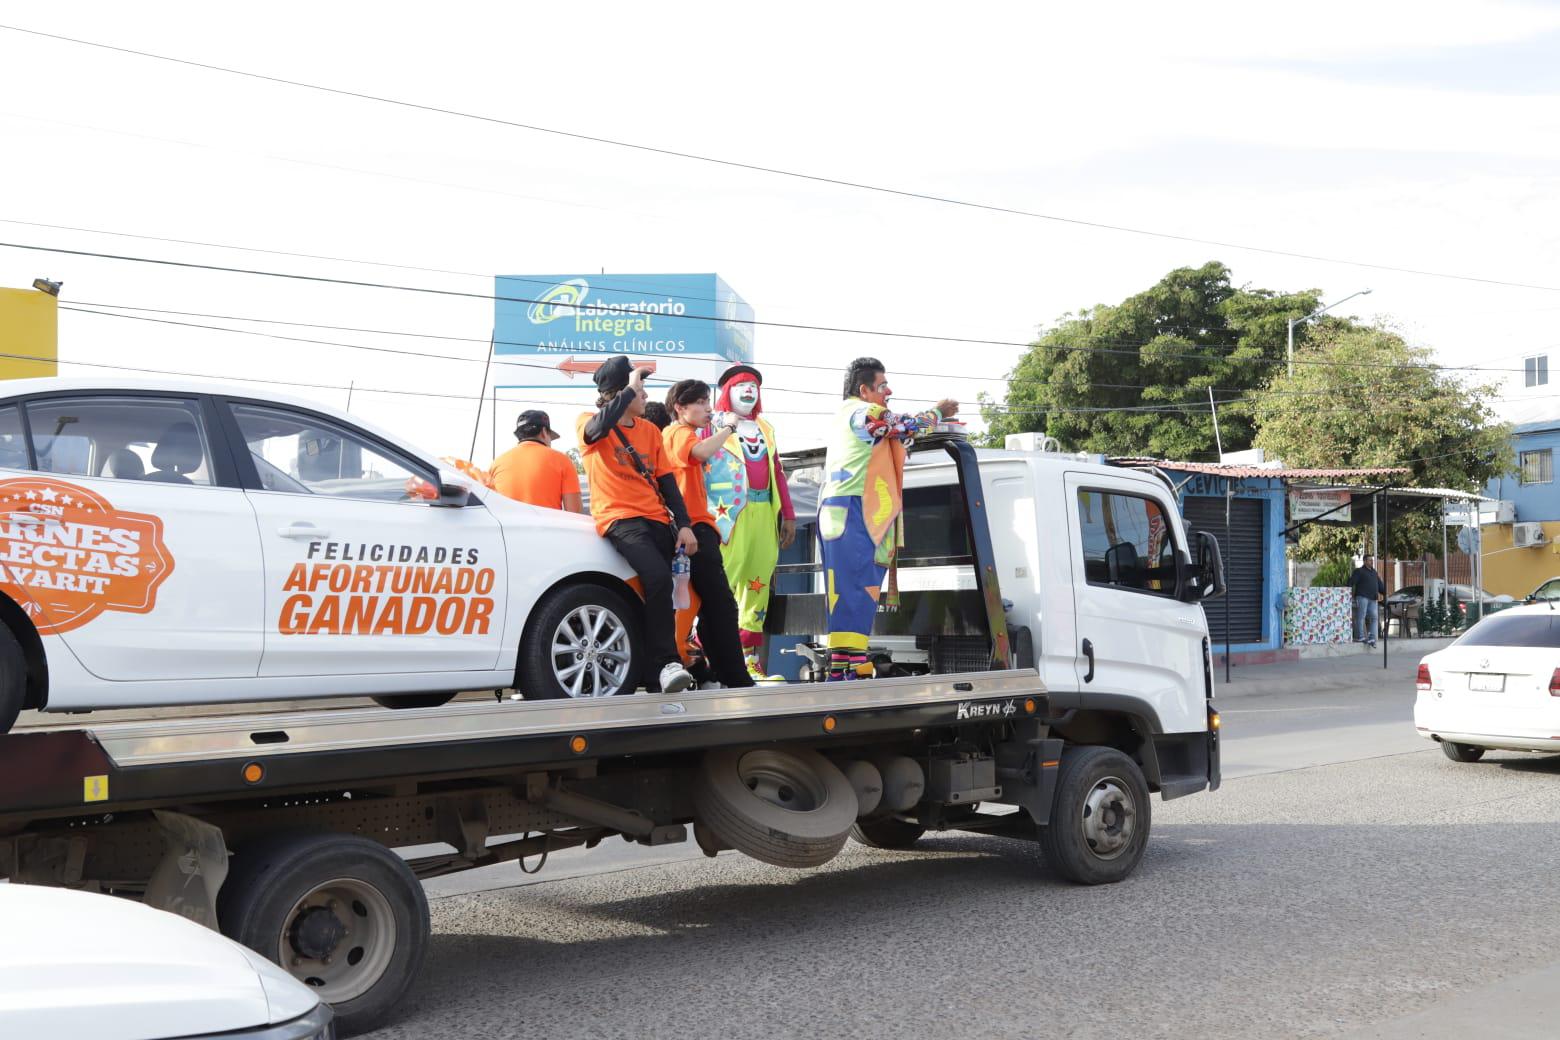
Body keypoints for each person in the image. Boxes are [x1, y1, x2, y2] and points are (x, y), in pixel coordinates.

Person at [819, 357, 957, 681]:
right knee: (853, 591)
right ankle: (844, 671)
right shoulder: (861, 412)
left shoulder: (850, 415)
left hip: (852, 510)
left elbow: (896, 435)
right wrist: (937, 412)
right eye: (882, 386)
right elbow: (903, 426)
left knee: (858, 590)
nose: (888, 391)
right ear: (864, 390)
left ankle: (847, 666)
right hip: (852, 509)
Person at [576, 356, 699, 694]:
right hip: (620, 518)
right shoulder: (588, 420)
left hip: (658, 520)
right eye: (640, 389)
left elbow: (667, 482)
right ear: (619, 393)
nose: (645, 395)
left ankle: (653, 672)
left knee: (666, 591)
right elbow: (594, 432)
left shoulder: (649, 431)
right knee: (657, 578)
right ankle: (667, 662)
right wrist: (628, 389)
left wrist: (685, 524)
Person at [705, 364, 796, 682]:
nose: (748, 390)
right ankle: (708, 656)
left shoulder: (766, 428)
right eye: (741, 384)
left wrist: (789, 514)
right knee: (723, 583)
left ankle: (748, 660)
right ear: (726, 392)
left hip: (763, 513)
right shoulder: (711, 424)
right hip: (728, 514)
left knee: (757, 584)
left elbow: (778, 471)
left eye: (753, 386)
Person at [663, 379, 755, 689]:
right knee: (722, 606)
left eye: (707, 402)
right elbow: (699, 453)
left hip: (694, 527)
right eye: (701, 402)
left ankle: (718, 674)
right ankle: (735, 677)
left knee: (709, 606)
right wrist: (729, 429)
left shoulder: (673, 434)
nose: (707, 408)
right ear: (680, 407)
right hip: (695, 528)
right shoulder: (678, 433)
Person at [489, 410, 583, 513]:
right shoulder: (562, 461)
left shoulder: (497, 463)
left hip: (508, 528)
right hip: (549, 528)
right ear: (543, 432)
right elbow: (575, 513)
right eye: (550, 437)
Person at [1349, 553, 1384, 648]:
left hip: (1373, 598)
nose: (1371, 562)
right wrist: (1346, 588)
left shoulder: (1374, 572)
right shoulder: (1359, 571)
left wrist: (1384, 592)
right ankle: (1360, 636)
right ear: (1364, 561)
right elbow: (1352, 582)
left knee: (1374, 618)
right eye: (1369, 560)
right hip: (1362, 597)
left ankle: (1371, 637)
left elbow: (1379, 584)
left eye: (1372, 560)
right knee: (1361, 616)